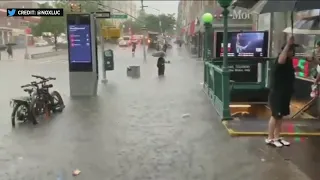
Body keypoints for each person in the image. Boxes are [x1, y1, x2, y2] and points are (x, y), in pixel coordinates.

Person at [266, 36, 295, 147]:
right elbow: (281, 59)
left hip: (285, 93)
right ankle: (270, 138)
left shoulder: (289, 62)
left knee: (280, 115)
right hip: (277, 93)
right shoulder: (281, 60)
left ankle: (277, 137)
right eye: (291, 51)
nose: (293, 53)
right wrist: (288, 45)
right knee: (275, 115)